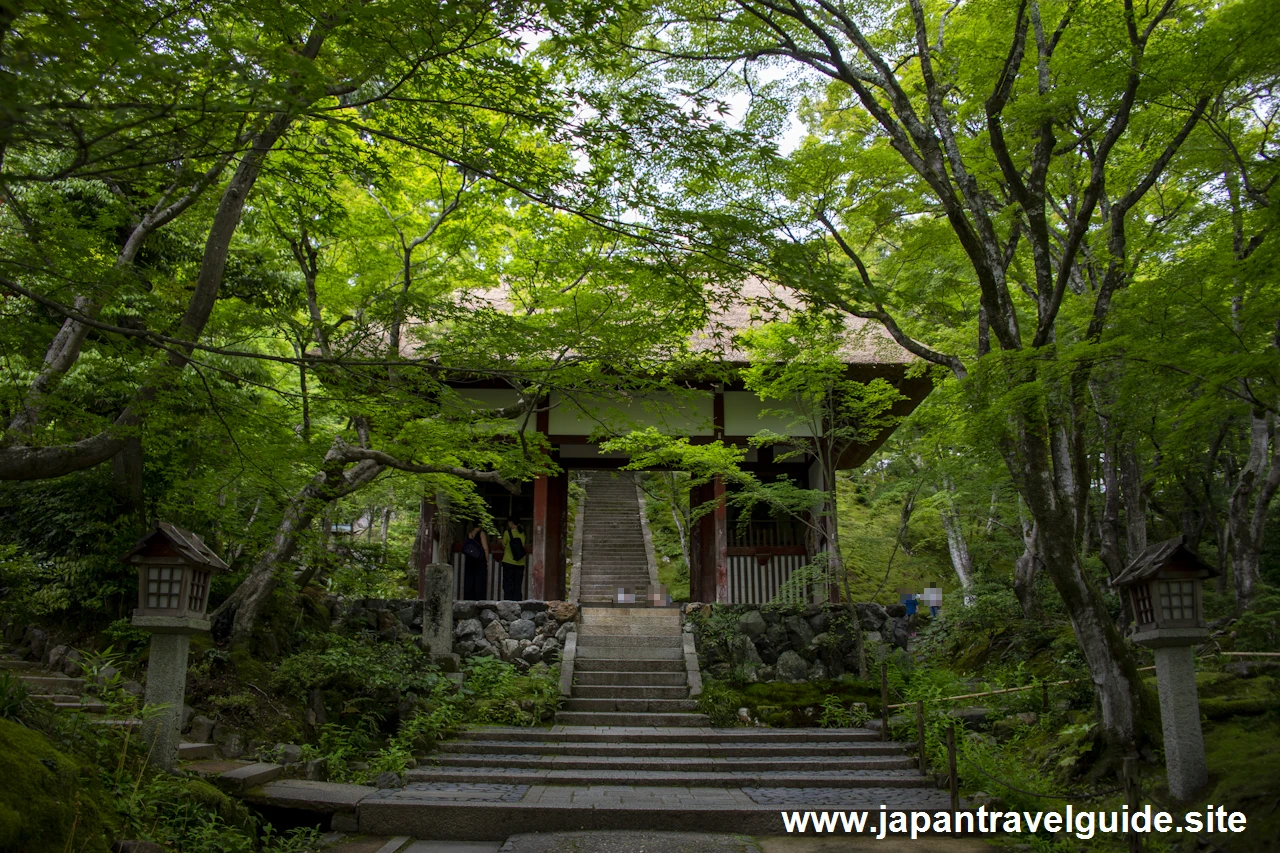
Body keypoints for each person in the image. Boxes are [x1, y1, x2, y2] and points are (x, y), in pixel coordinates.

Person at [500, 516, 527, 601]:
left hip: (508, 561)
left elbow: (504, 545)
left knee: (508, 583)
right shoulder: (522, 534)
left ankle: (507, 601)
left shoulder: (507, 533)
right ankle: (517, 602)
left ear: (511, 523)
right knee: (517, 584)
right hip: (520, 563)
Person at [461, 523, 489, 600]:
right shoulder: (481, 533)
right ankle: (479, 600)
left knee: (469, 581)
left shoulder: (469, 534)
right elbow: (485, 548)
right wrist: (487, 561)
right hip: (479, 561)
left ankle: (469, 600)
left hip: (470, 560)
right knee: (479, 582)